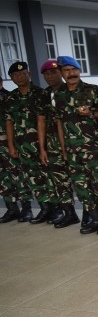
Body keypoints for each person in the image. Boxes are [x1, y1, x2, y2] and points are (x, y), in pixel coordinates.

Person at [53, 56, 98, 234]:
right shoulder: (59, 95)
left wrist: (91, 113)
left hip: (93, 148)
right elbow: (59, 122)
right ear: (61, 73)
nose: (71, 73)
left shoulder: (92, 90)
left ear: (79, 71)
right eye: (66, 70)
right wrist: (63, 148)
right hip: (72, 151)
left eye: (74, 70)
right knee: (81, 186)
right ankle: (94, 218)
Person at [38, 59, 79, 228]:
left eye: (54, 72)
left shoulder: (72, 89)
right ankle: (68, 213)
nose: (51, 76)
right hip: (53, 144)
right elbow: (40, 121)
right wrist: (42, 148)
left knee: (81, 180)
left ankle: (94, 215)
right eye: (47, 73)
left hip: (75, 143)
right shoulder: (44, 95)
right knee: (58, 180)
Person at [3, 61, 43, 223]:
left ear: (29, 74)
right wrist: (11, 145)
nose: (19, 77)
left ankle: (51, 209)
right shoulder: (11, 98)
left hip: (40, 145)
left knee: (43, 178)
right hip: (20, 145)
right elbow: (9, 123)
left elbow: (43, 121)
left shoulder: (40, 94)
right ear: (11, 78)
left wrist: (43, 146)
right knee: (23, 177)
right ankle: (17, 209)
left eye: (22, 73)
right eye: (15, 75)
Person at [0, 81, 24, 223]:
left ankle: (26, 208)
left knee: (17, 175)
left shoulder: (9, 98)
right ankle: (12, 208)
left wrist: (12, 145)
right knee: (3, 178)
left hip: (8, 143)